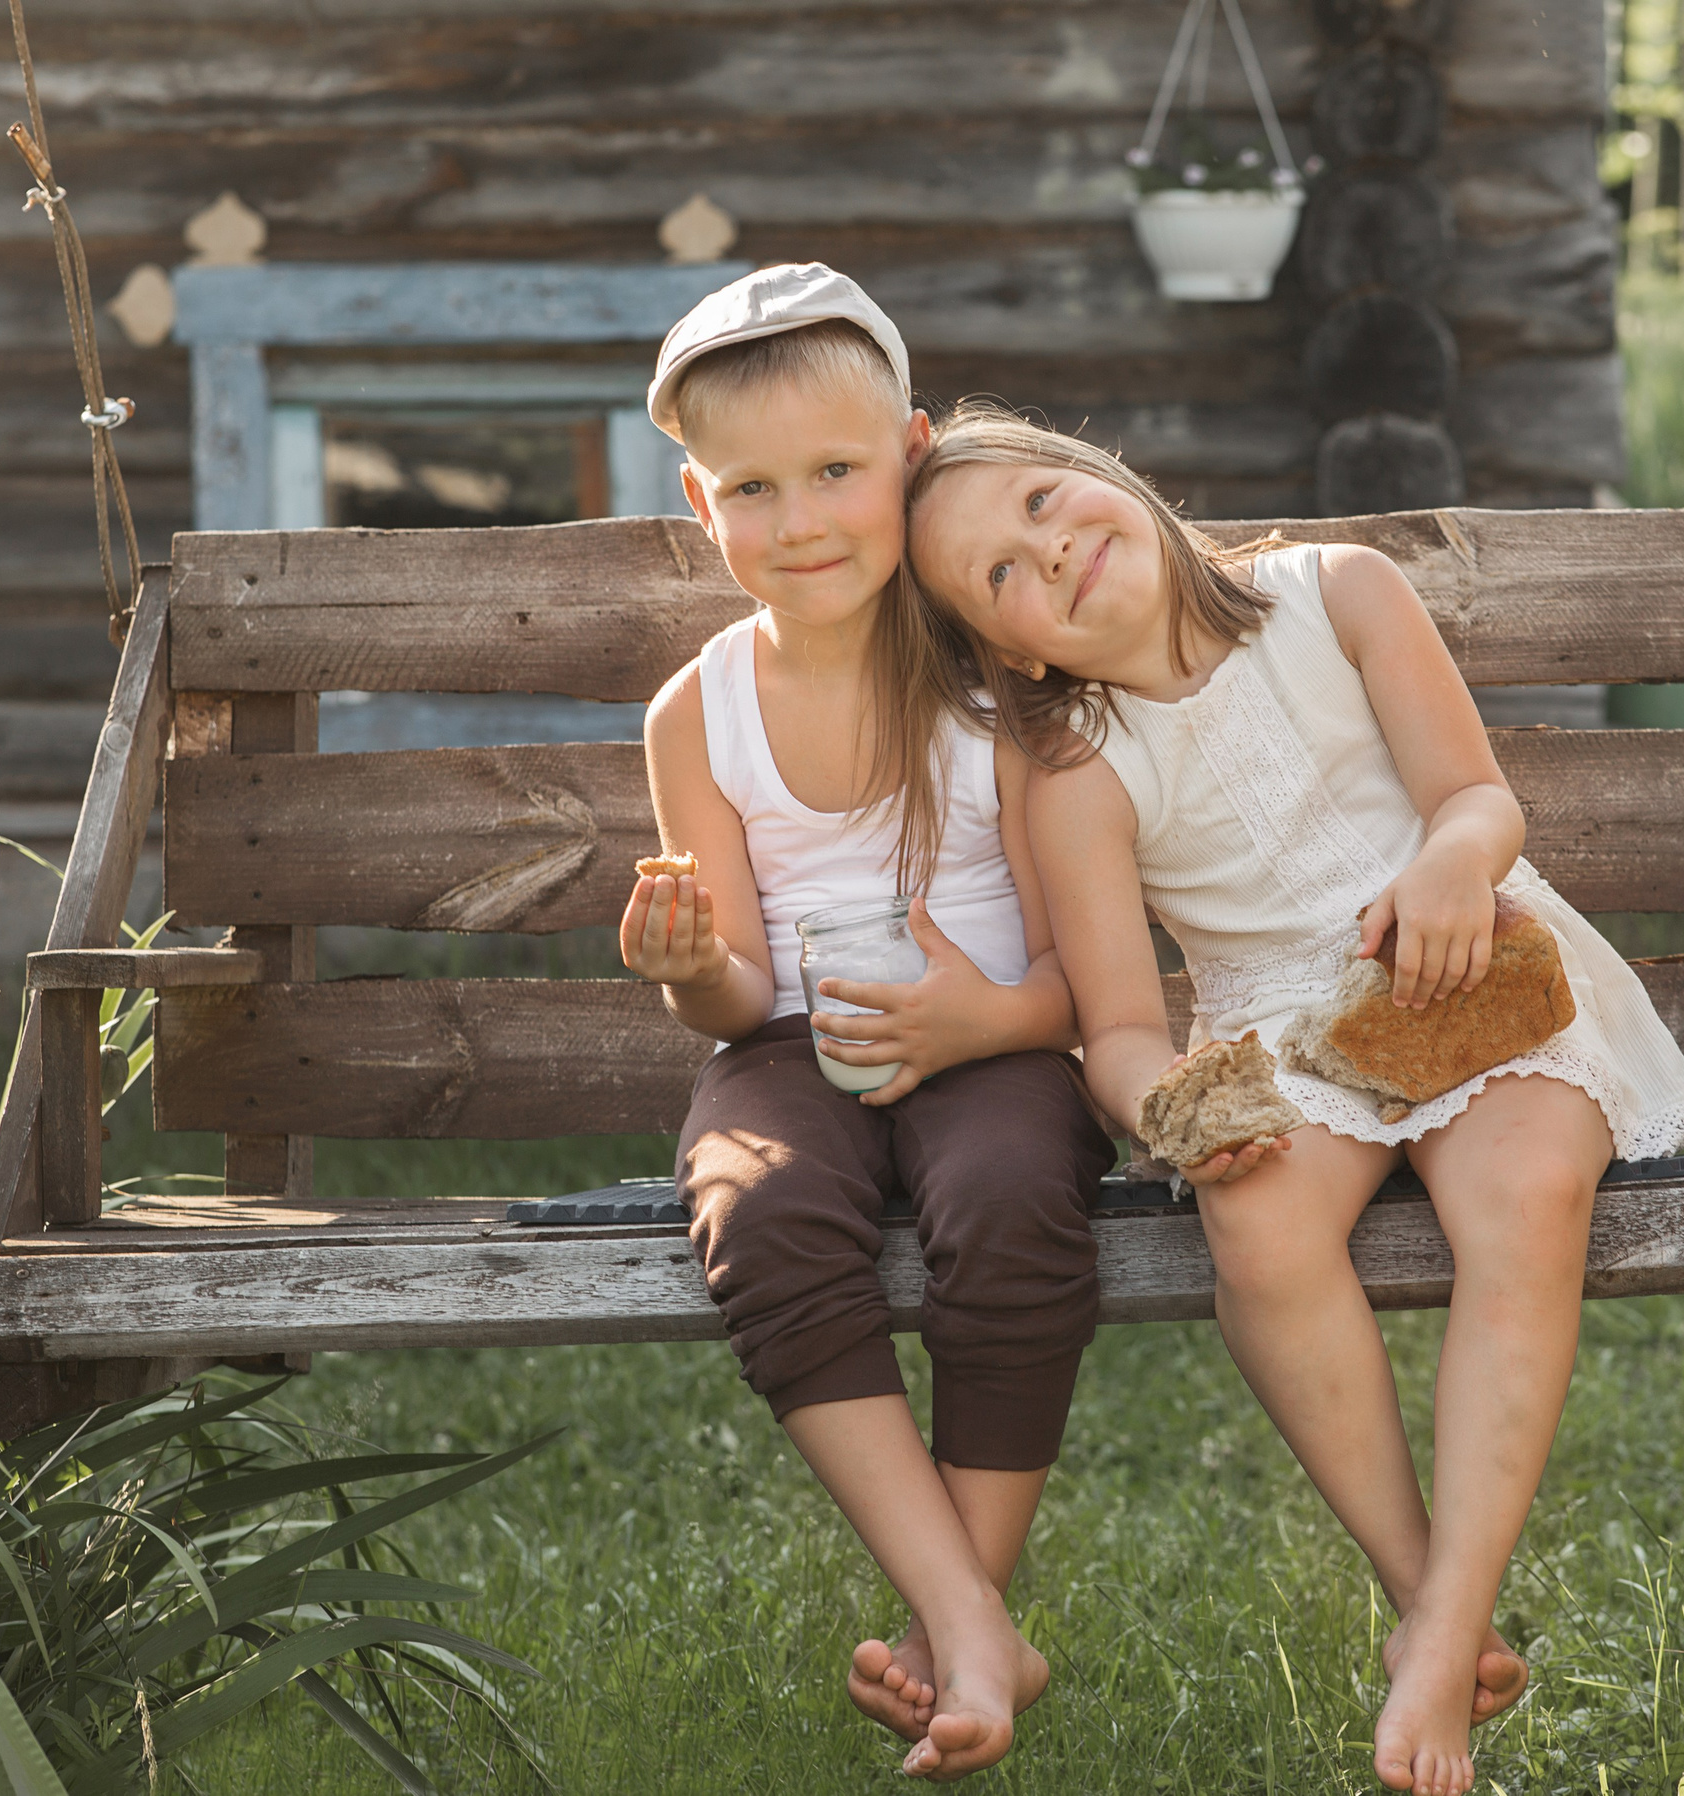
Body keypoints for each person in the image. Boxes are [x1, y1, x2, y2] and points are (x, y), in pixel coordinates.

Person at [903, 405, 1684, 1796]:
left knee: (1524, 1193)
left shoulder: (1338, 590)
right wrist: (1171, 1105)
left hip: (1464, 959)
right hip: (1278, 1028)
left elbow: (1473, 796)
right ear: (1014, 653)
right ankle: (1428, 1603)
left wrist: (1457, 863)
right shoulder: (1075, 769)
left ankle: (1449, 1622)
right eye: (1003, 577)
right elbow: (1111, 1027)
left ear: (1107, 478)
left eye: (1045, 502)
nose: (1053, 552)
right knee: (1262, 1234)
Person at [620, 274, 1111, 1782]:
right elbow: (735, 1001)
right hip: (791, 1050)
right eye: (754, 489)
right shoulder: (696, 714)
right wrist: (686, 963)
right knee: (759, 1213)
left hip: (1005, 1035)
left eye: (837, 472)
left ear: (908, 454)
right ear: (703, 504)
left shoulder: (995, 676)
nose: (804, 519)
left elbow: (1086, 981)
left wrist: (980, 1028)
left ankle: (961, 1625)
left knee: (1015, 1198)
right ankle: (971, 1621)